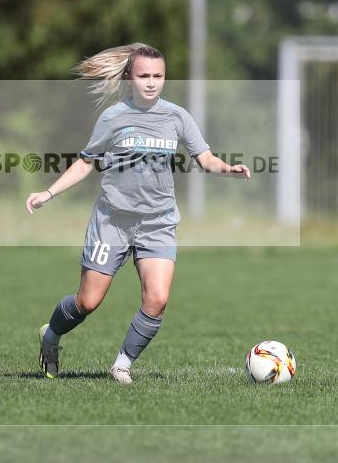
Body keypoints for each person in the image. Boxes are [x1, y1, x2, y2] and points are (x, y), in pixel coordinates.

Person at [25, 43, 250, 384]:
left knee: (157, 299)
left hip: (157, 223)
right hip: (112, 222)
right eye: (144, 75)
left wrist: (228, 169)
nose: (151, 82)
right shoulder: (113, 118)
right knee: (87, 302)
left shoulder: (177, 117)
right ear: (130, 77)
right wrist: (49, 192)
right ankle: (51, 335)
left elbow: (205, 159)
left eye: (158, 76)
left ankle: (122, 365)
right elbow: (87, 162)